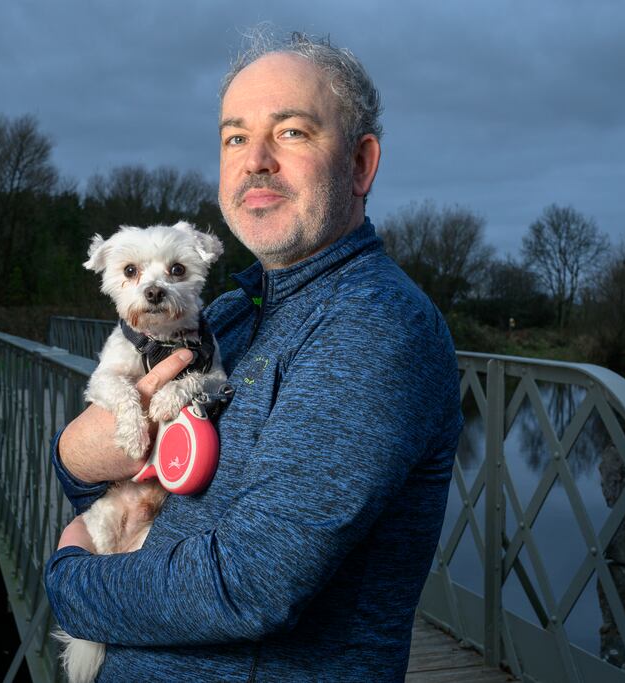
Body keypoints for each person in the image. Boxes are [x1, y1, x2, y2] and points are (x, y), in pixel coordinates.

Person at [46, 30, 463, 682]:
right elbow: (127, 469)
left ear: (360, 164)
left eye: (292, 132)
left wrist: (70, 581)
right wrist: (72, 455)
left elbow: (248, 584)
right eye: (235, 137)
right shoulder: (231, 315)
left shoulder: (374, 328)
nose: (256, 160)